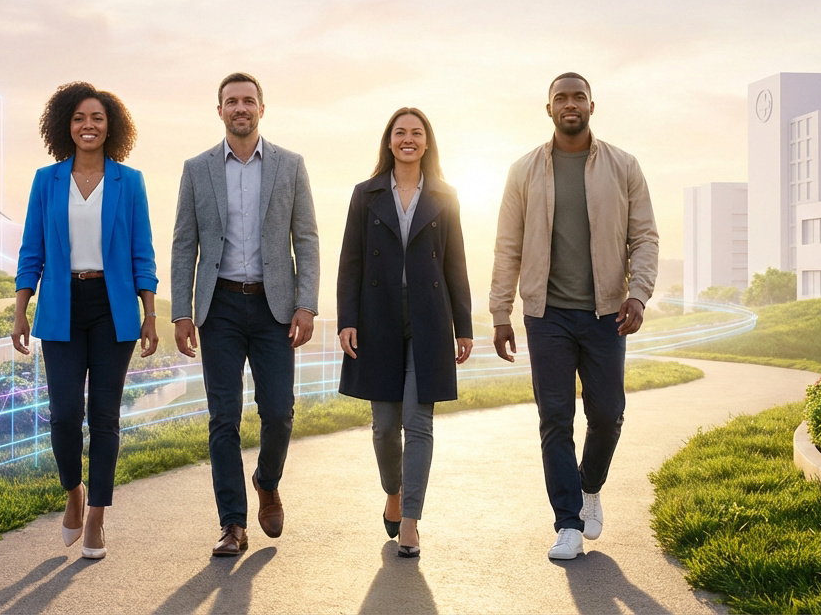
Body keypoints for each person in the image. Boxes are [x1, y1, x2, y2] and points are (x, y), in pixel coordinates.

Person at [489, 72, 658, 560]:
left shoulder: (624, 166)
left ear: (590, 106)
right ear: (549, 108)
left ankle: (589, 486)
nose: (570, 104)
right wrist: (500, 312)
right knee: (555, 418)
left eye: (578, 97)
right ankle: (567, 522)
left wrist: (638, 295)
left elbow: (645, 237)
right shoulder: (523, 171)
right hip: (547, 316)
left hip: (607, 313)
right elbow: (507, 245)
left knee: (607, 414)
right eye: (560, 97)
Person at [171, 71, 320, 557]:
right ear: (219, 111)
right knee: (224, 418)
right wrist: (181, 312)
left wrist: (306, 304)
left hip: (275, 307)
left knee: (279, 411)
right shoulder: (197, 169)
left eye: (248, 101)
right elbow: (184, 244)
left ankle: (267, 480)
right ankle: (232, 523)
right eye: (231, 101)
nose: (240, 108)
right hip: (219, 307)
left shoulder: (290, 165)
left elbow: (307, 239)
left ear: (261, 108)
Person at [12, 81, 159, 560]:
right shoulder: (46, 181)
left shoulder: (129, 182)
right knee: (64, 415)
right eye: (78, 118)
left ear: (111, 126)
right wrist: (20, 309)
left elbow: (142, 252)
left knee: (105, 417)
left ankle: (96, 514)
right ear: (65, 126)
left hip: (112, 308)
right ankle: (74, 491)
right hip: (61, 306)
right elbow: (31, 250)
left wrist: (150, 314)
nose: (88, 125)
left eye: (97, 118)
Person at [335, 107, 477, 558]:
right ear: (389, 141)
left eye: (416, 132)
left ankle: (411, 521)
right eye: (400, 132)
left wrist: (464, 326)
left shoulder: (445, 196)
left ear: (427, 142)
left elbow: (455, 263)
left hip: (429, 317)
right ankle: (393, 492)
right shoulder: (366, 194)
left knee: (418, 422)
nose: (408, 139)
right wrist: (346, 319)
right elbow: (350, 261)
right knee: (384, 426)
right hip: (377, 316)